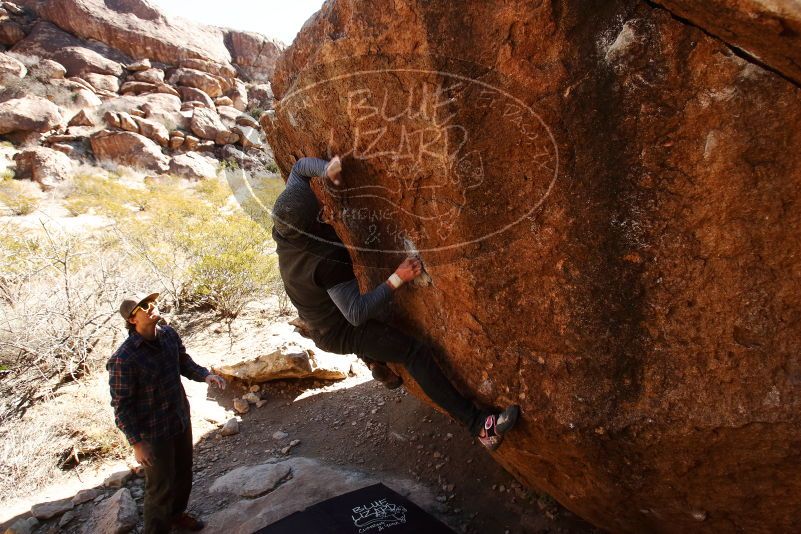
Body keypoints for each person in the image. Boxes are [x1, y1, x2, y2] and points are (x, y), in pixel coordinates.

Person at [271, 156, 519, 450]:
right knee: (413, 352)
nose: (324, 210)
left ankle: (377, 365)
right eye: (320, 213)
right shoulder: (324, 262)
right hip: (338, 330)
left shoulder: (284, 224)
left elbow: (300, 169)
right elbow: (356, 313)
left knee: (373, 332)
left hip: (317, 314)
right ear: (312, 224)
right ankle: (479, 426)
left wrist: (326, 170)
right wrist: (398, 278)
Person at [107, 293, 226, 533]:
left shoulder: (168, 334)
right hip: (152, 432)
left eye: (151, 302)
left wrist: (205, 375)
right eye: (143, 306)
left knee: (183, 472)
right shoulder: (124, 359)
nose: (151, 307)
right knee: (159, 487)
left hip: (179, 418)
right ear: (132, 319)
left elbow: (183, 362)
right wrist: (137, 442)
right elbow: (122, 405)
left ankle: (177, 516)